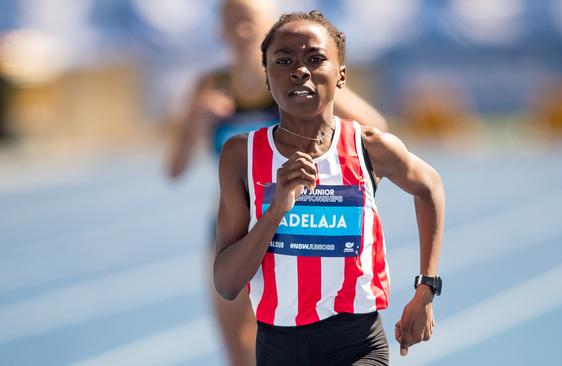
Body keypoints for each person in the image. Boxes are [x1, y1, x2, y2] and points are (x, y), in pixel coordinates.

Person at [214, 10, 444, 365]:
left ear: (341, 75)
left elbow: (429, 187)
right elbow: (227, 284)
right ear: (267, 77)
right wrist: (276, 211)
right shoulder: (241, 156)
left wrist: (426, 288)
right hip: (278, 348)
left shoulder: (369, 147)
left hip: (356, 345)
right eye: (284, 59)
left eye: (315, 58)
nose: (300, 70)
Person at [167, 2, 388, 365]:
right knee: (237, 346)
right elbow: (175, 169)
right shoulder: (210, 86)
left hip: (295, 226)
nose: (240, 32)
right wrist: (195, 117)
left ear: (268, 28)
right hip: (233, 225)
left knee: (285, 337)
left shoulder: (293, 82)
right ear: (219, 30)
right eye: (231, 23)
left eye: (248, 22)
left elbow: (375, 127)